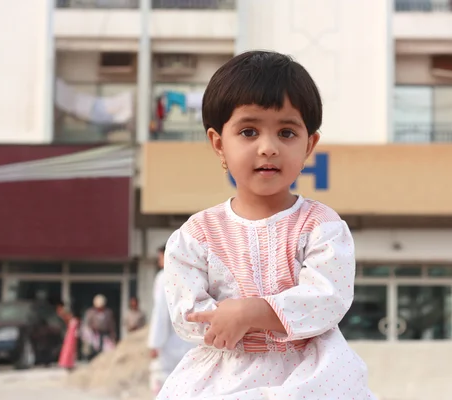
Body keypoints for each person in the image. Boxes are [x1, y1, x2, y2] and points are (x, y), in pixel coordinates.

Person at [157, 50, 374, 399]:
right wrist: (230, 321)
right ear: (218, 144)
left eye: (287, 133)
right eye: (248, 131)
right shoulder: (196, 236)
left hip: (311, 374)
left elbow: (327, 299)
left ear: (309, 145)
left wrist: (253, 311)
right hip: (223, 375)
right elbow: (187, 314)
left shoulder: (322, 227)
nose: (268, 147)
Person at [148, 245, 195, 396]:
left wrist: (155, 343)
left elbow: (161, 311)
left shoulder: (163, 276)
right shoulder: (191, 274)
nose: (158, 261)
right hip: (191, 340)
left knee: (165, 382)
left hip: (170, 340)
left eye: (160, 257)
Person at [81, 294, 117, 360]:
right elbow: (86, 325)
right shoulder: (90, 312)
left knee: (106, 351)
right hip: (93, 336)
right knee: (92, 352)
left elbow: (111, 325)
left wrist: (113, 336)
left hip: (105, 335)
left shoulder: (108, 312)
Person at [57, 302, 79, 372]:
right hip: (69, 337)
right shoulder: (70, 321)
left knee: (70, 350)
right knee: (68, 350)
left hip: (71, 337)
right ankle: (67, 363)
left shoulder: (73, 321)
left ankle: (69, 363)